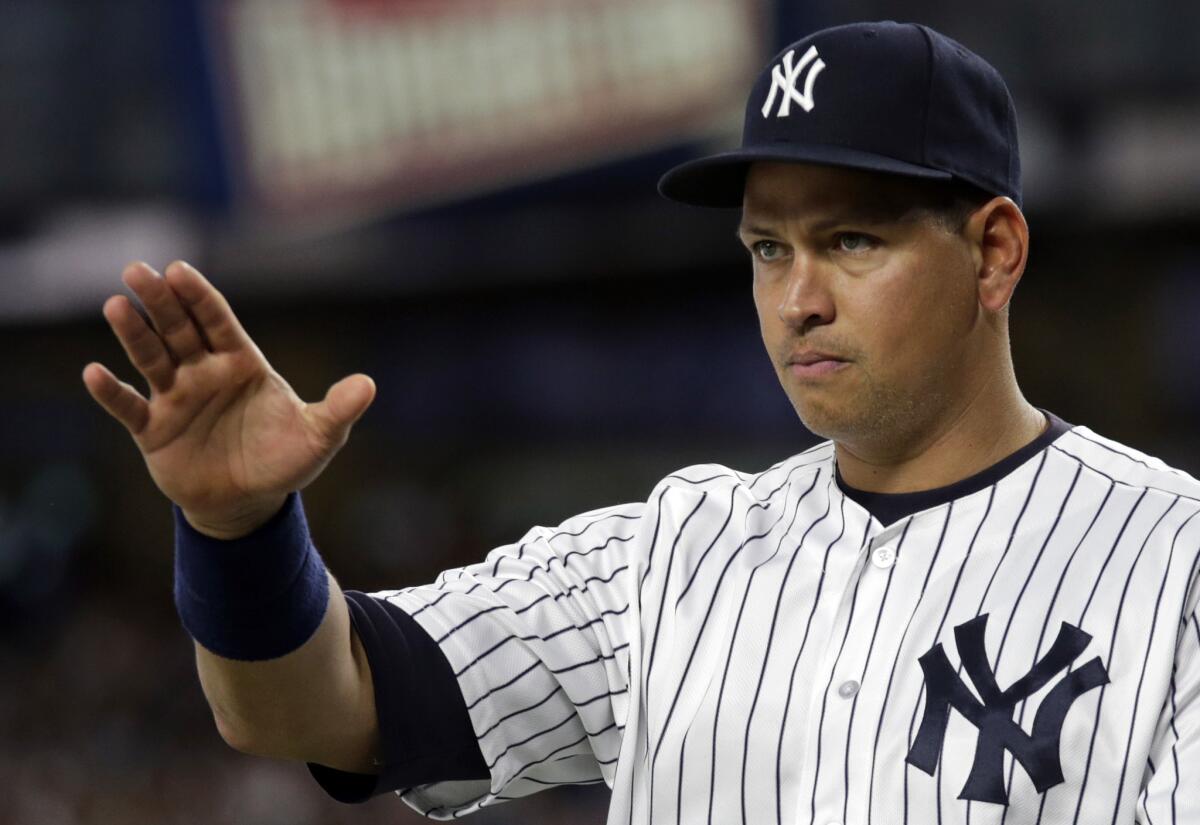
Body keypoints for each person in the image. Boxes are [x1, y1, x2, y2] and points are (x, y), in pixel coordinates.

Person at [83, 20, 1198, 825]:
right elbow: (308, 709)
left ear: (994, 249)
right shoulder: (665, 555)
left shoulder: (1174, 560)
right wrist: (238, 529)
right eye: (770, 248)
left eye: (853, 241)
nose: (798, 296)